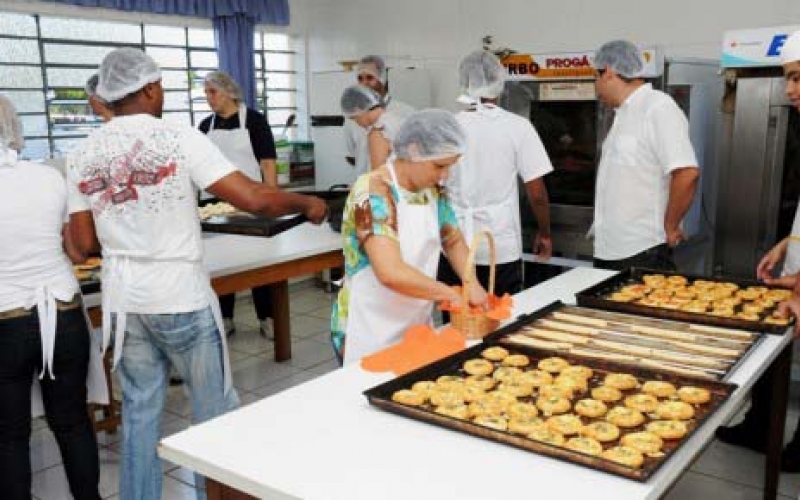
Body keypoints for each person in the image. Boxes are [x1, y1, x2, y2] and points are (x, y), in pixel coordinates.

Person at [66, 48, 327, 500]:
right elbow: (254, 200)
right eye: (161, 85)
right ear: (148, 88)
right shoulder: (176, 136)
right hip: (178, 296)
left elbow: (84, 244)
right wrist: (307, 204)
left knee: (142, 415)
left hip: (125, 305)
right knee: (216, 415)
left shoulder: (82, 152)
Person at [0, 96, 101, 500]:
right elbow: (77, 251)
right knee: (73, 422)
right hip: (62, 315)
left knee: (9, 435)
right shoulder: (48, 177)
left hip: (5, 322)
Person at [331, 109, 488, 365]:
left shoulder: (432, 191)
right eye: (439, 166)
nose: (444, 175)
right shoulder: (372, 191)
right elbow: (389, 272)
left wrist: (473, 284)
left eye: (450, 166)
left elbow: (453, 240)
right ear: (414, 150)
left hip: (414, 322)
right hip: (369, 326)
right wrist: (449, 294)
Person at [716, 30, 800, 472]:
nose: (789, 90)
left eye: (798, 79)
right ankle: (757, 428)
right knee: (773, 352)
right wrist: (787, 244)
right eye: (788, 79)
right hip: (795, 267)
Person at [438, 50, 553, 300]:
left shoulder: (446, 126)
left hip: (453, 243)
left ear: (464, 83)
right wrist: (544, 232)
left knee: (457, 322)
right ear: (500, 84)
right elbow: (537, 193)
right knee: (501, 317)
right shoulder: (518, 127)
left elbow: (434, 187)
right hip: (498, 247)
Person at [591, 40, 700, 271]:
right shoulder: (622, 115)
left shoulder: (657, 107)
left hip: (642, 251)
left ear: (609, 73)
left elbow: (687, 173)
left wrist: (670, 225)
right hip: (610, 249)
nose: (596, 86)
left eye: (596, 78)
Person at [198, 70, 278, 338]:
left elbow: (267, 161)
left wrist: (271, 197)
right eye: (206, 93)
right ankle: (226, 318)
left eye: (212, 92)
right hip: (215, 205)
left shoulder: (254, 121)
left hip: (251, 201)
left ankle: (267, 317)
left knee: (258, 261)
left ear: (229, 92)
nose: (208, 98)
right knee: (221, 264)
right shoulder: (204, 126)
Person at [344, 55, 414, 176]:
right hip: (364, 189)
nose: (364, 83)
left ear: (382, 79)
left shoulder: (406, 113)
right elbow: (352, 157)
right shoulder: (352, 117)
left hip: (396, 189)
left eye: (370, 78)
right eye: (360, 78)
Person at [340, 85, 406, 169]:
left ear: (358, 109)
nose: (357, 123)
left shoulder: (378, 132)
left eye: (354, 118)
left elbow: (379, 176)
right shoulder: (398, 120)